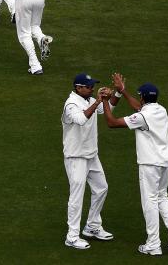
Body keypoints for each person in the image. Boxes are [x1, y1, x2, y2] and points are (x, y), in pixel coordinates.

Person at [100, 74, 168, 255]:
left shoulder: (142, 117)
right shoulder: (161, 110)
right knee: (162, 196)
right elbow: (139, 107)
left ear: (144, 97)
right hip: (165, 162)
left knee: (150, 201)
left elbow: (111, 123)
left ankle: (153, 244)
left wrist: (105, 101)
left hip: (150, 164)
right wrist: (122, 91)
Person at [62, 73, 117, 250]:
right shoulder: (71, 104)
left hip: (91, 154)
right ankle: (71, 236)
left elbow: (108, 109)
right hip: (76, 156)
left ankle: (92, 227)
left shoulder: (89, 99)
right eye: (89, 87)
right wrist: (97, 101)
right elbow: (80, 119)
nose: (92, 89)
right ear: (78, 88)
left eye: (93, 86)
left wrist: (115, 94)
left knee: (102, 188)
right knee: (77, 196)